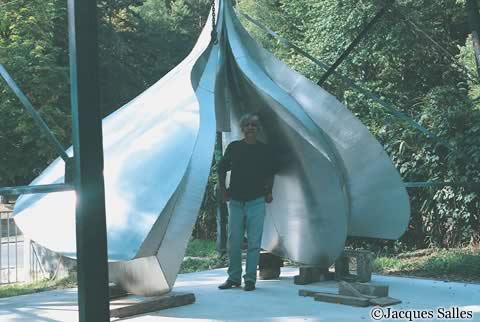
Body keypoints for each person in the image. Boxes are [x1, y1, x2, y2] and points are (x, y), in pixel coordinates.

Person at [217, 113, 276, 291]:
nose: (250, 127)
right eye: (247, 125)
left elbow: (270, 173)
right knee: (234, 241)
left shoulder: (264, 150)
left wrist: (269, 192)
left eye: (254, 125)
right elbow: (221, 169)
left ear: (257, 129)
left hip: (256, 201)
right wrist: (223, 190)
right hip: (235, 200)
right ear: (242, 128)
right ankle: (233, 278)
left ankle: (250, 279)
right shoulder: (234, 148)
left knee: (254, 242)